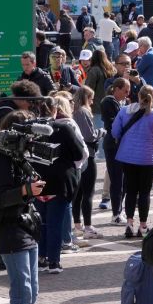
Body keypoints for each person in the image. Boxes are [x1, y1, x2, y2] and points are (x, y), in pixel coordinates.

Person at [0, 110, 44, 304]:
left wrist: (34, 191)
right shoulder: (1, 159)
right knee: (22, 289)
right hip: (8, 226)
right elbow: (0, 198)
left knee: (32, 288)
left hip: (25, 224)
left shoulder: (16, 156)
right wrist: (27, 190)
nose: (32, 142)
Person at [33, 97, 87, 272]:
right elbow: (80, 154)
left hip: (36, 181)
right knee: (55, 222)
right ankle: (54, 261)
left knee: (40, 222)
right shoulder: (63, 128)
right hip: (59, 182)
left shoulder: (30, 127)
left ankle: (41, 257)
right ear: (55, 110)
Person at [112, 85, 153, 238]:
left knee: (130, 190)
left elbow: (115, 131)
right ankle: (143, 225)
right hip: (148, 158)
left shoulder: (124, 111)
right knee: (144, 192)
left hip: (127, 156)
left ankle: (129, 223)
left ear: (138, 96)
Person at [70, 86, 104, 240]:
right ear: (85, 97)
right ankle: (88, 226)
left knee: (77, 193)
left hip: (76, 156)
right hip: (87, 155)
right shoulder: (82, 111)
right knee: (88, 193)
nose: (92, 100)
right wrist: (101, 132)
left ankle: (77, 224)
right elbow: (89, 136)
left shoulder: (74, 111)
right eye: (91, 97)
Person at [101, 78, 129, 223]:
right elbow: (113, 124)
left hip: (122, 146)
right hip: (113, 146)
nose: (127, 94)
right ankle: (116, 214)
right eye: (125, 91)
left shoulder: (123, 102)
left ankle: (119, 210)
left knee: (123, 180)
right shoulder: (108, 102)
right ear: (116, 89)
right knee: (117, 179)